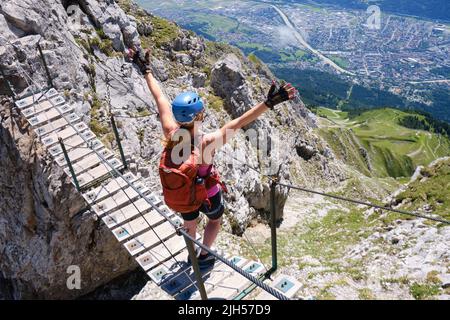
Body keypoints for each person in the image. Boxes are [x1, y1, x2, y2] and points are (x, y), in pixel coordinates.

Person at [129, 48, 297, 268]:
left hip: (184, 195)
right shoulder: (207, 142)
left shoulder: (170, 132)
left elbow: (159, 98)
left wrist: (146, 70)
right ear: (199, 115)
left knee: (190, 226)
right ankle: (205, 254)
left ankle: (192, 251)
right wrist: (268, 103)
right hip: (208, 192)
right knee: (215, 220)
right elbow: (239, 122)